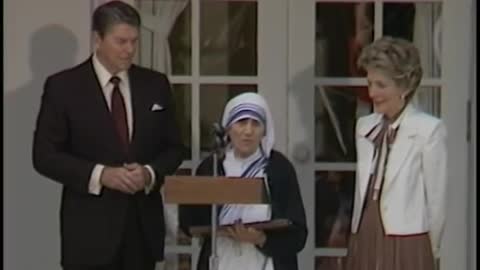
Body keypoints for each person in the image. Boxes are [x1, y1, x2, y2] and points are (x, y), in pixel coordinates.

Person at [32, 1, 184, 269]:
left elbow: (174, 148)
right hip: (88, 236)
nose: (129, 50)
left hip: (142, 233)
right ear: (97, 39)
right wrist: (102, 175)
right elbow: (44, 156)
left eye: (134, 41)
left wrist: (148, 173)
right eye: (121, 41)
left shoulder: (155, 84)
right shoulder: (63, 87)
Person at [345, 36, 448, 270]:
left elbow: (437, 202)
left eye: (381, 85)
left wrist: (428, 250)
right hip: (365, 233)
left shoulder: (428, 130)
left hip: (407, 239)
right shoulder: (364, 127)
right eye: (370, 83)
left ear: (405, 86)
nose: (372, 93)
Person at [179, 92, 307, 270]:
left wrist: (260, 238)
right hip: (222, 256)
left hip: (266, 260)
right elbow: (188, 221)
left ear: (264, 130)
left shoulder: (279, 168)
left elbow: (298, 234)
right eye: (241, 123)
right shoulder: (212, 166)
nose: (248, 131)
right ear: (229, 127)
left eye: (256, 124)